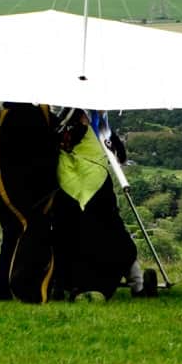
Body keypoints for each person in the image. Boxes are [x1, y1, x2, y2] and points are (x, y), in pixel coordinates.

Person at [52, 109, 156, 300]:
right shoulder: (75, 114)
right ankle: (131, 283)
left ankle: (134, 282)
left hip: (85, 181)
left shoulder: (98, 119)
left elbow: (109, 140)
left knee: (106, 233)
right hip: (78, 181)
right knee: (104, 232)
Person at [0, 101, 60, 303]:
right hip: (35, 189)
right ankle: (29, 285)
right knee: (31, 234)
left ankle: (6, 289)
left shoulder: (5, 117)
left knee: (11, 238)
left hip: (10, 188)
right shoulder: (42, 116)